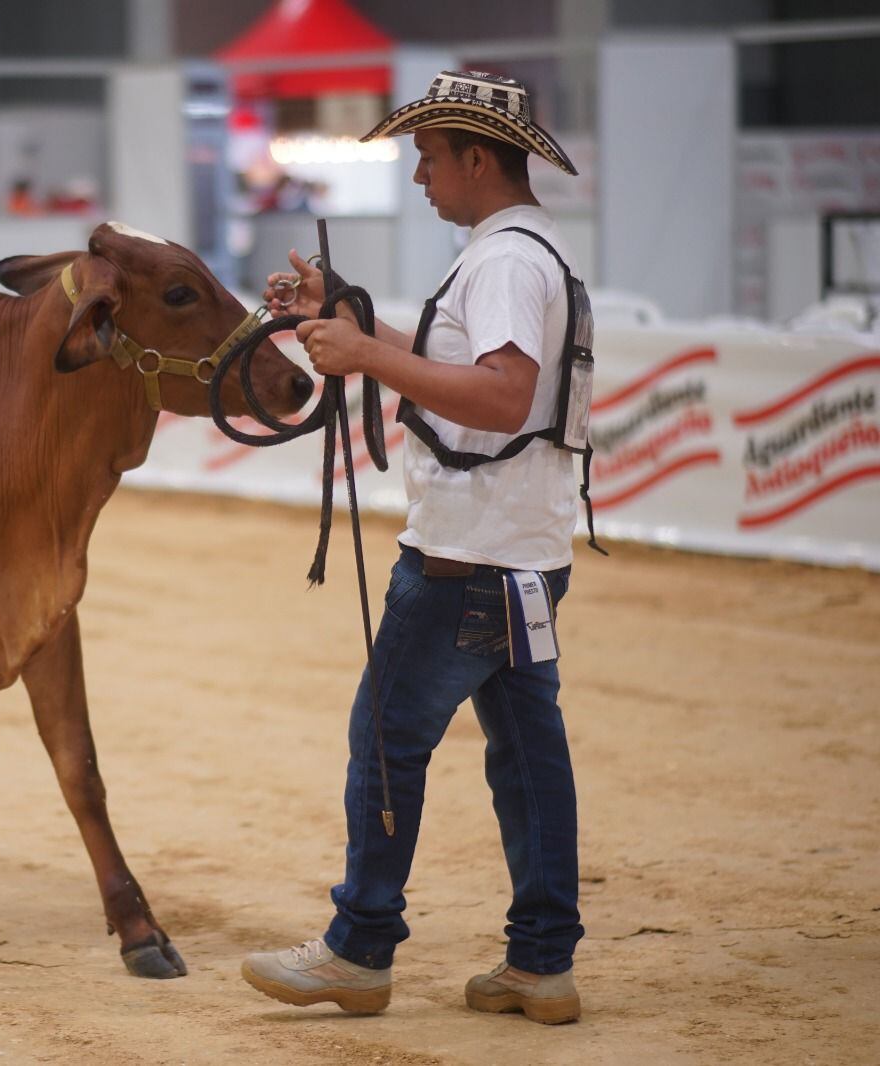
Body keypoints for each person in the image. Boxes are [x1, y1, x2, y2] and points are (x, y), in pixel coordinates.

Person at [241, 70, 592, 1025]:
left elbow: (502, 396)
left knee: (387, 740)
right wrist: (351, 319)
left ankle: (359, 947)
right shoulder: (525, 253)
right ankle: (542, 961)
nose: (420, 178)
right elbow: (463, 374)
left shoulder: (503, 263)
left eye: (430, 159)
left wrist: (364, 355)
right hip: (521, 550)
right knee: (525, 756)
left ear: (479, 159)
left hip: (463, 557)